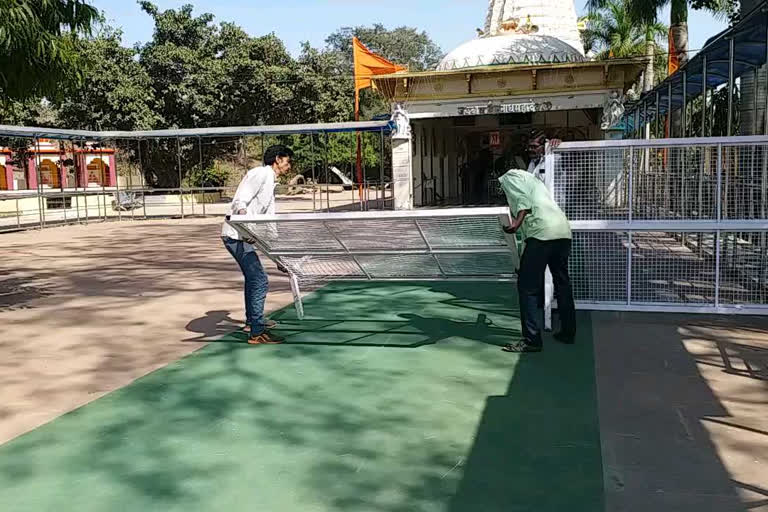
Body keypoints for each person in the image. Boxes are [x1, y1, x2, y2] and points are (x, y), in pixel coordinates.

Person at [221, 144, 293, 345]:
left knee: (253, 279)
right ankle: (256, 332)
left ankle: (252, 321)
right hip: (236, 236)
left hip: (244, 236)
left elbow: (269, 221)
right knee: (259, 280)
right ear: (278, 159)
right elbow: (240, 201)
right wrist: (244, 222)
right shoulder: (261, 173)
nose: (289, 167)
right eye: (287, 161)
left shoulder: (271, 182)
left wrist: (278, 256)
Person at [498, 168, 575, 353]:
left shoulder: (508, 176)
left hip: (542, 235)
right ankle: (568, 332)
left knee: (527, 287)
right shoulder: (534, 181)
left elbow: (523, 201)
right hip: (562, 232)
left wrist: (515, 223)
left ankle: (532, 339)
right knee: (562, 283)